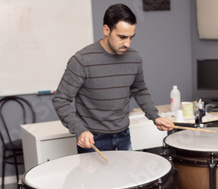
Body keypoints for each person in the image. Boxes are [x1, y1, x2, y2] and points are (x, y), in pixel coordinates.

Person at [52, 3, 174, 153]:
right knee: (96, 178)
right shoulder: (82, 60)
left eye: (131, 37)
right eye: (122, 37)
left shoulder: (134, 58)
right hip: (93, 141)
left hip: (123, 136)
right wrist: (79, 130)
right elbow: (60, 99)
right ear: (106, 30)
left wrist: (155, 117)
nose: (127, 43)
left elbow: (140, 91)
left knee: (126, 177)